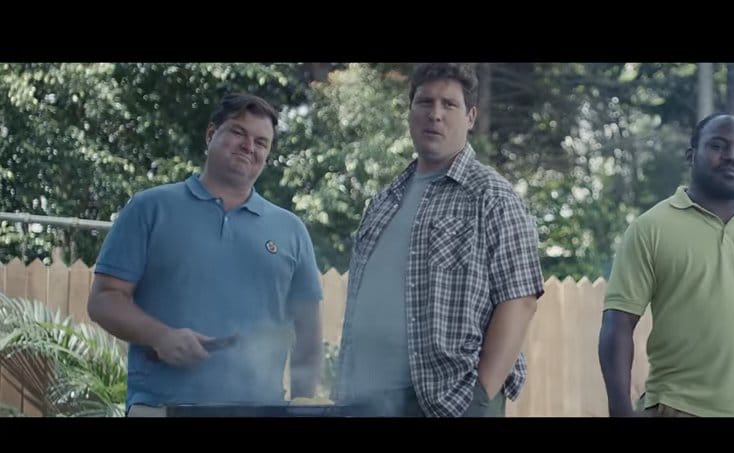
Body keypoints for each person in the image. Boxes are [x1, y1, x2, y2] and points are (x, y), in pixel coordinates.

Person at [88, 93, 324, 416]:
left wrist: (304, 405)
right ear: (211, 134)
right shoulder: (150, 208)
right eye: (238, 132)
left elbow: (308, 334)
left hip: (261, 410)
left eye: (261, 142)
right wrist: (161, 336)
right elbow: (103, 299)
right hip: (160, 408)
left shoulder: (291, 230)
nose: (249, 146)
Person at [333, 63, 544, 417]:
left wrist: (479, 396)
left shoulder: (491, 196)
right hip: (367, 398)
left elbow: (520, 301)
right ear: (410, 111)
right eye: (425, 102)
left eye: (449, 104)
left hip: (450, 402)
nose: (435, 114)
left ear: (470, 116)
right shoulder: (384, 201)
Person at [598, 112, 734, 417]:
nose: (732, 156)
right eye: (718, 146)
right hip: (676, 407)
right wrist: (620, 411)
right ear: (692, 156)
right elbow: (618, 324)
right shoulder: (650, 228)